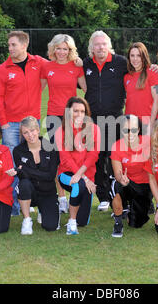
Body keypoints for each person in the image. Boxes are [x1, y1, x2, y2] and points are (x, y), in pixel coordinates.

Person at [0, 30, 48, 216]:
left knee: (33, 163)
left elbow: (58, 67)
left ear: (24, 45)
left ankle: (32, 201)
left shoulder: (38, 63)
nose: (10, 48)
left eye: (13, 45)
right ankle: (12, 206)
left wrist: (77, 62)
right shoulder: (3, 69)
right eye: (9, 45)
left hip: (33, 123)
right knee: (10, 166)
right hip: (11, 125)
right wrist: (4, 123)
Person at [40, 34, 87, 214]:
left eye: (65, 49)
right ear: (53, 49)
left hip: (73, 119)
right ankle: (61, 198)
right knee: (57, 157)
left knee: (73, 156)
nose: (61, 52)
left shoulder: (76, 67)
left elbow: (86, 89)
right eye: (58, 48)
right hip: (53, 117)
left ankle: (77, 191)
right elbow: (38, 90)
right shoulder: (47, 66)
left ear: (70, 50)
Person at [83, 30, 128, 212]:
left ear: (108, 45)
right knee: (97, 158)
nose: (100, 47)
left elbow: (140, 67)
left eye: (103, 44)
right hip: (92, 120)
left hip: (116, 118)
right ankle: (103, 196)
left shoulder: (120, 62)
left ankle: (121, 194)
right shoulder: (85, 64)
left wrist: (155, 67)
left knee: (116, 157)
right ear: (91, 47)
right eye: (97, 44)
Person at [6, 116, 60, 235]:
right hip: (31, 192)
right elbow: (23, 177)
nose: (30, 135)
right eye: (26, 132)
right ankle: (26, 219)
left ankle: (43, 211)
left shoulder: (51, 147)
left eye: (32, 130)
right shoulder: (18, 151)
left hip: (48, 192)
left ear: (38, 130)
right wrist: (23, 172)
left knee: (51, 226)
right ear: (22, 134)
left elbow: (51, 176)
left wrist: (24, 170)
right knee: (24, 184)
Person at [54, 97, 100, 235]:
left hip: (86, 175)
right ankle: (71, 222)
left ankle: (77, 219)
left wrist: (83, 176)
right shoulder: (60, 131)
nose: (79, 115)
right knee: (78, 185)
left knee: (83, 222)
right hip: (66, 174)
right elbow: (65, 158)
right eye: (75, 111)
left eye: (82, 111)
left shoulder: (94, 129)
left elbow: (94, 155)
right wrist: (83, 178)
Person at [109, 115, 152, 238]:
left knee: (136, 224)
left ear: (138, 130)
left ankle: (128, 210)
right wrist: (121, 178)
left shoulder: (148, 142)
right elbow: (117, 172)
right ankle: (118, 223)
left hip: (143, 186)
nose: (130, 133)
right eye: (126, 130)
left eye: (133, 130)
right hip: (126, 182)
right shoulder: (117, 146)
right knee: (117, 186)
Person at [124, 42, 158, 129]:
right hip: (130, 123)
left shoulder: (152, 73)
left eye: (138, 55)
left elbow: (157, 100)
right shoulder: (126, 77)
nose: (135, 59)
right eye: (132, 55)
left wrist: (151, 124)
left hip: (146, 123)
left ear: (144, 57)